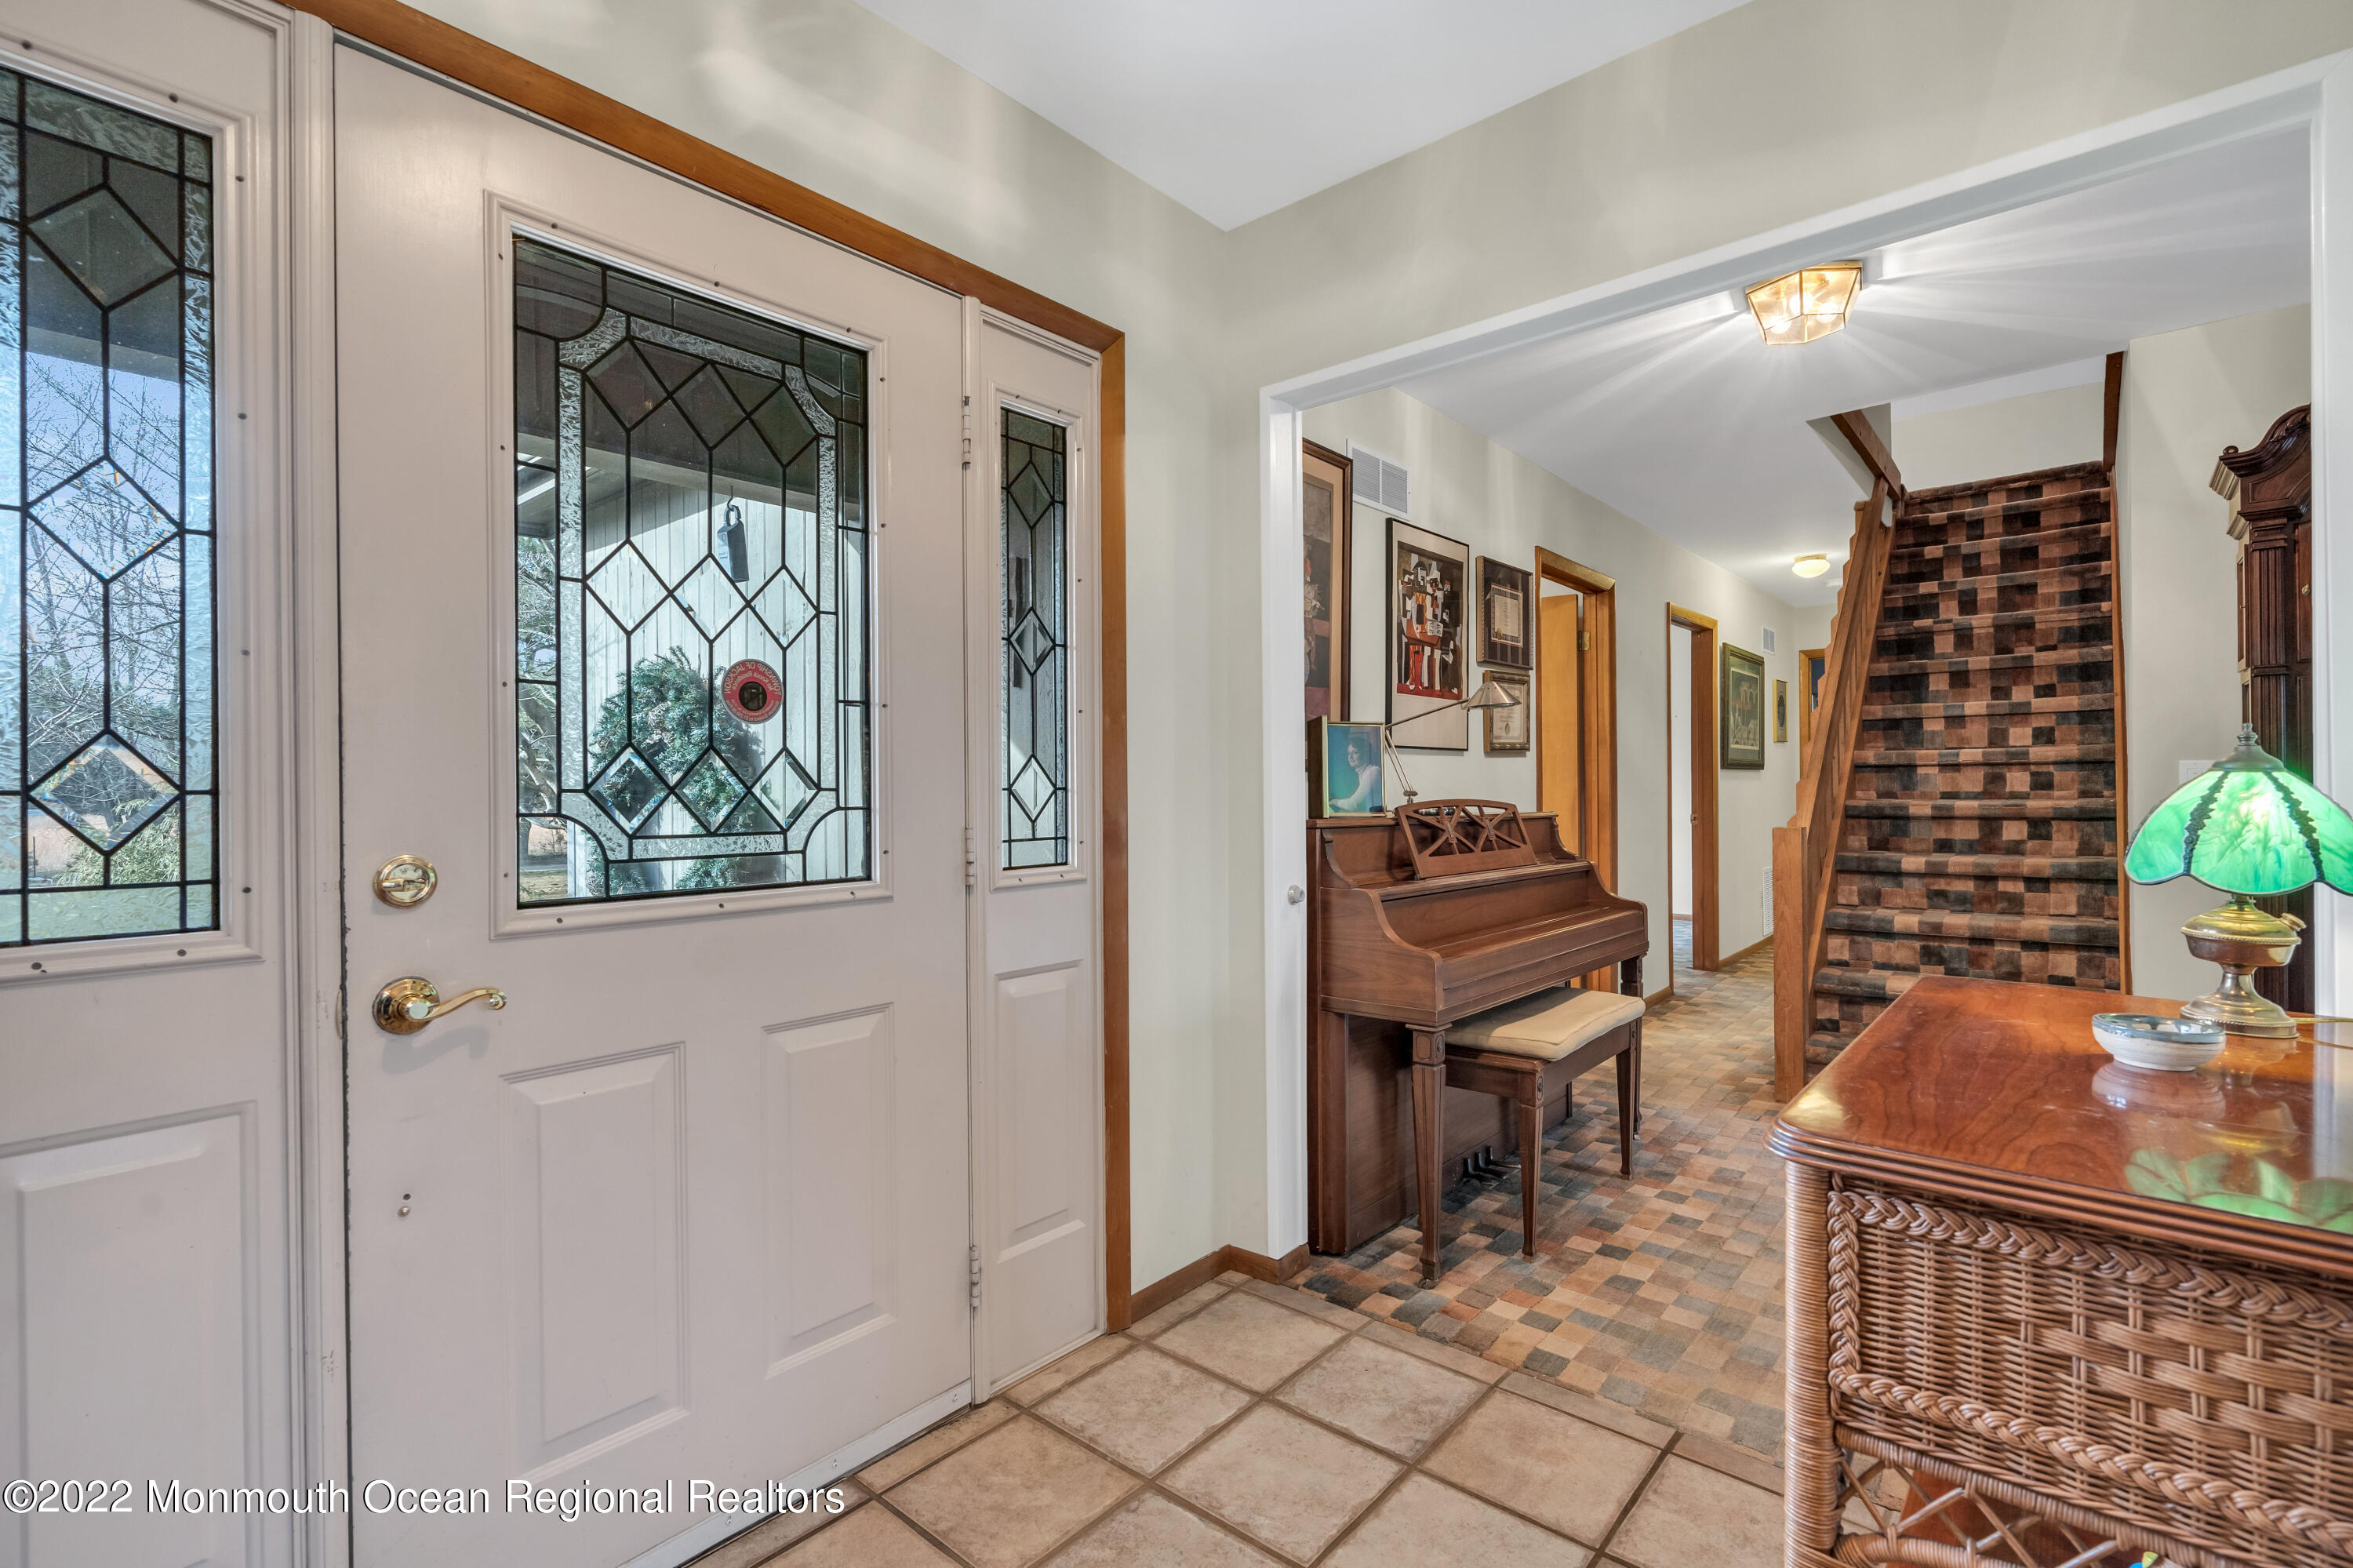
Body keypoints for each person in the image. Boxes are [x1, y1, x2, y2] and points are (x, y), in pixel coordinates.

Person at [1329, 727, 1382, 813]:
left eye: (1355, 752)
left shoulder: (1373, 772)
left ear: (1365, 755)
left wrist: (1334, 802)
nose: (1350, 757)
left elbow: (1352, 804)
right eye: (1349, 753)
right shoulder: (1363, 773)